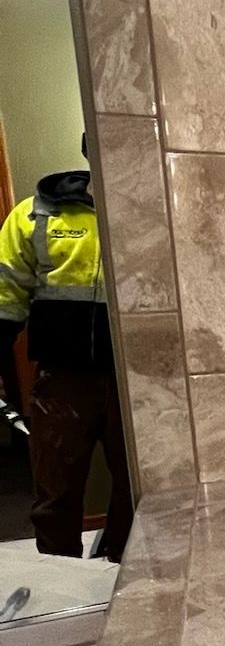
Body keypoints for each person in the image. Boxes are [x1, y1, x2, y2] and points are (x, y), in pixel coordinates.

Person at [0, 138, 131, 560]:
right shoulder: (36, 213)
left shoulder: (153, 214)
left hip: (136, 382)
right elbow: (5, 294)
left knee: (138, 490)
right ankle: (59, 579)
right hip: (62, 382)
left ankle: (122, 569)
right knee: (55, 491)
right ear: (88, 147)